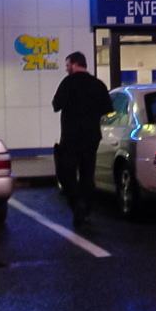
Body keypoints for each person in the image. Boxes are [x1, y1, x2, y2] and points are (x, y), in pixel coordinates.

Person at [51, 51, 113, 227]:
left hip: (71, 137)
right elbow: (107, 108)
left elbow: (57, 105)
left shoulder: (68, 83)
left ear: (73, 64)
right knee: (88, 173)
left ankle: (77, 202)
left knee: (66, 172)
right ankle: (85, 207)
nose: (66, 68)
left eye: (67, 65)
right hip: (92, 136)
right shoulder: (98, 84)